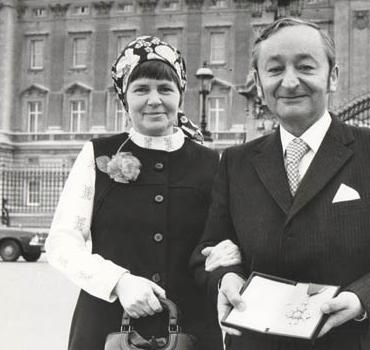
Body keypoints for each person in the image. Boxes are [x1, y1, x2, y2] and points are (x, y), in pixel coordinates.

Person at [190, 18, 370, 350]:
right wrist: (226, 278)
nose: (290, 82)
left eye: (305, 67)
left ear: (332, 76)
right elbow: (208, 249)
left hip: (348, 341)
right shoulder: (236, 161)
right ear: (259, 84)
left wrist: (360, 300)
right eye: (274, 71)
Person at [46, 36, 241, 350]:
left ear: (180, 95)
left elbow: (221, 238)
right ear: (124, 98)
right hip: (106, 325)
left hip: (191, 329)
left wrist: (227, 250)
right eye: (141, 89)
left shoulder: (211, 161)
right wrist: (119, 282)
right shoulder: (97, 154)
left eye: (165, 89)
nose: (154, 100)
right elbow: (62, 242)